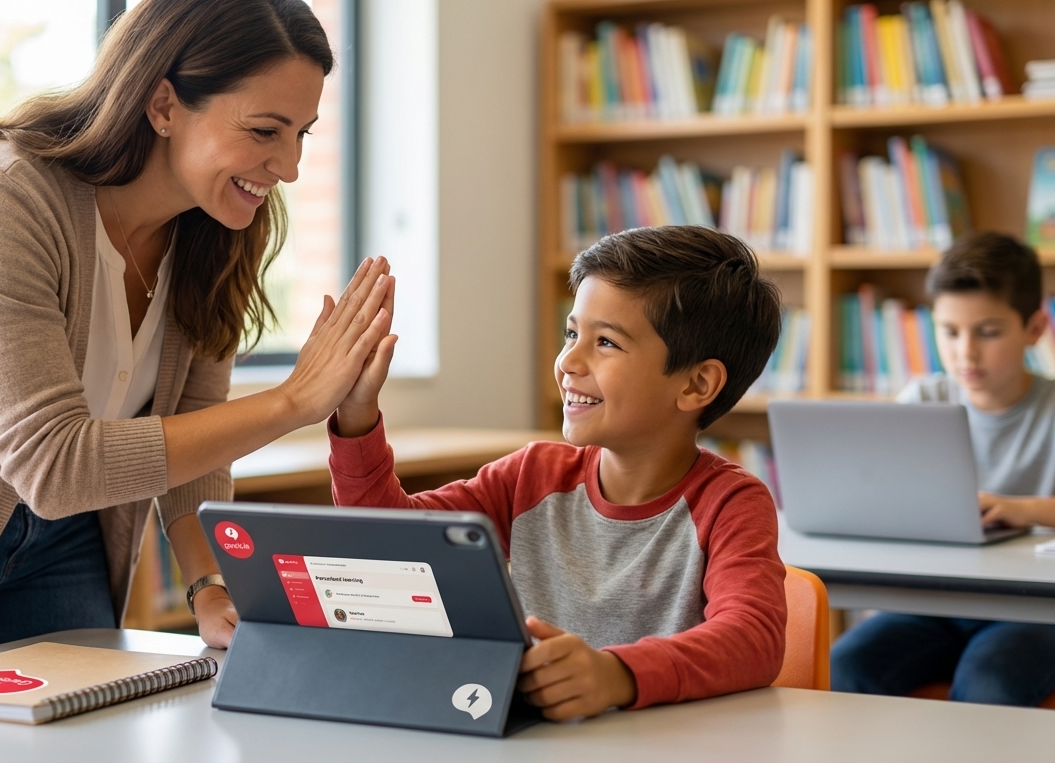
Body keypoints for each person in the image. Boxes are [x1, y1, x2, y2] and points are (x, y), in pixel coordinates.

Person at [0, 0, 394, 685]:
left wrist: (206, 583)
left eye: (302, 133)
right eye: (266, 130)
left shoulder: (220, 228)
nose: (290, 167)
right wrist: (293, 402)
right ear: (163, 105)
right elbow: (51, 462)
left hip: (60, 537)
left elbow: (198, 433)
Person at [326, 225, 787, 720]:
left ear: (697, 384)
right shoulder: (531, 476)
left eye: (606, 342)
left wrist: (616, 674)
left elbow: (753, 639)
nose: (568, 361)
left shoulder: (731, 503)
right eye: (572, 333)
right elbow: (388, 540)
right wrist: (356, 414)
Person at [830, 232, 1055, 706]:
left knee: (990, 680)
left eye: (987, 332)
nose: (965, 352)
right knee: (844, 665)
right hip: (933, 605)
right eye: (949, 332)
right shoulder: (923, 399)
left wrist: (1021, 509)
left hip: (1044, 613)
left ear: (1034, 329)